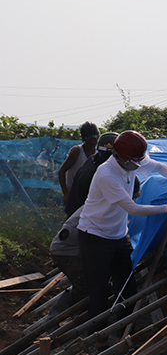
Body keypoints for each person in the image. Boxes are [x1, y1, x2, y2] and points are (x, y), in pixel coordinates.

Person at [78, 130, 167, 338]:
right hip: (95, 236)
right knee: (99, 288)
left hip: (119, 235)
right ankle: (97, 337)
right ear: (121, 157)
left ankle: (124, 332)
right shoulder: (107, 174)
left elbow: (158, 166)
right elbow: (133, 209)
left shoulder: (132, 160)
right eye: (134, 161)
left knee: (127, 286)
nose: (138, 165)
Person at [50, 132, 122, 308]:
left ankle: (71, 314)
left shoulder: (94, 165)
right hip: (67, 251)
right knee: (88, 287)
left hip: (69, 245)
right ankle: (59, 316)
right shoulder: (102, 201)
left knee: (91, 283)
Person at [58, 121, 99, 212]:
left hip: (89, 195)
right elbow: (61, 172)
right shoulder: (77, 151)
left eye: (95, 138)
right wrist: (66, 193)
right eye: (89, 139)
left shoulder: (97, 154)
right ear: (84, 139)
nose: (93, 141)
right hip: (74, 195)